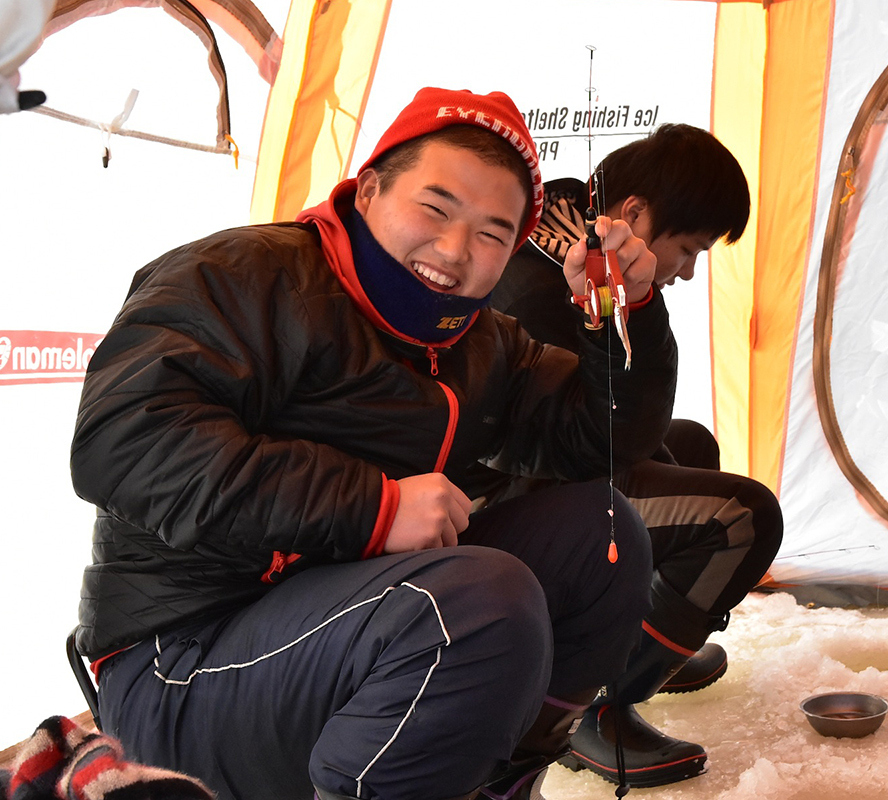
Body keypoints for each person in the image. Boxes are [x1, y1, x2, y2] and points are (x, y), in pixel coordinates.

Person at [69, 87, 680, 800]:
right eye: (435, 208)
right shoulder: (242, 276)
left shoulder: (476, 343)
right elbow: (124, 442)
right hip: (179, 662)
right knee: (473, 602)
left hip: (339, 625)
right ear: (369, 190)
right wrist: (372, 508)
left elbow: (601, 433)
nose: (454, 252)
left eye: (491, 234)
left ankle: (492, 783)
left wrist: (620, 314)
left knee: (600, 536)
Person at [476, 123, 784, 788]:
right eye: (689, 249)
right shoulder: (544, 286)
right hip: (502, 502)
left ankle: (643, 637)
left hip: (552, 463)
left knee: (693, 443)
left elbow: (627, 416)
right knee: (742, 518)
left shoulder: (569, 228)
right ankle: (589, 700)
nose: (691, 270)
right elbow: (575, 445)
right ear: (636, 214)